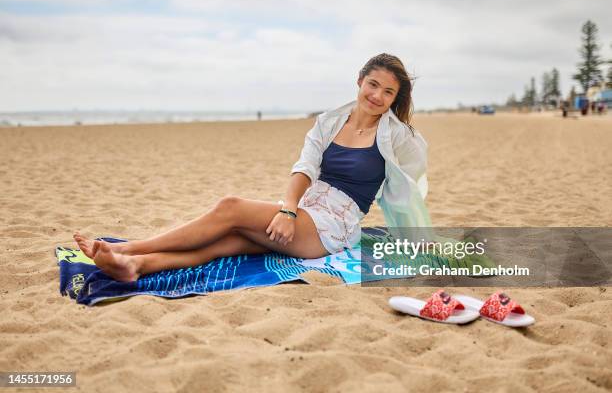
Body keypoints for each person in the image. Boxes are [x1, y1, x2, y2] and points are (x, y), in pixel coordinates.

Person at [73, 53, 432, 282]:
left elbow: (410, 187)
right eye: (373, 84)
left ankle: (129, 248)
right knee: (229, 240)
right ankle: (138, 266)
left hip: (334, 227)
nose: (377, 96)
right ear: (359, 81)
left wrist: (417, 234)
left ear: (394, 99)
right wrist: (288, 211)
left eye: (388, 92)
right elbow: (304, 168)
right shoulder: (328, 122)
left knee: (230, 207)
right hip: (307, 209)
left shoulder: (399, 137)